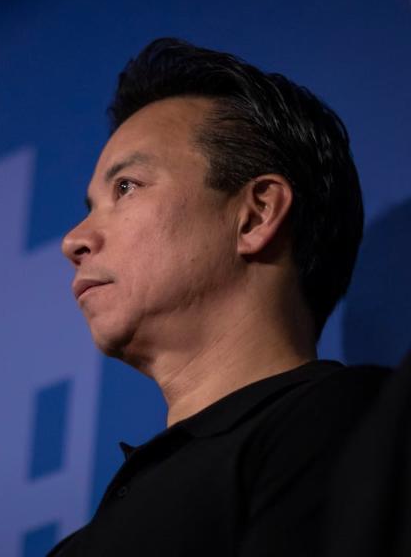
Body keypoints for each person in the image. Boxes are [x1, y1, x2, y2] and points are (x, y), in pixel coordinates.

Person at [51, 38, 390, 556]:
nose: (73, 239)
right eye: (92, 203)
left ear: (255, 215)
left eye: (126, 188)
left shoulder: (358, 426)